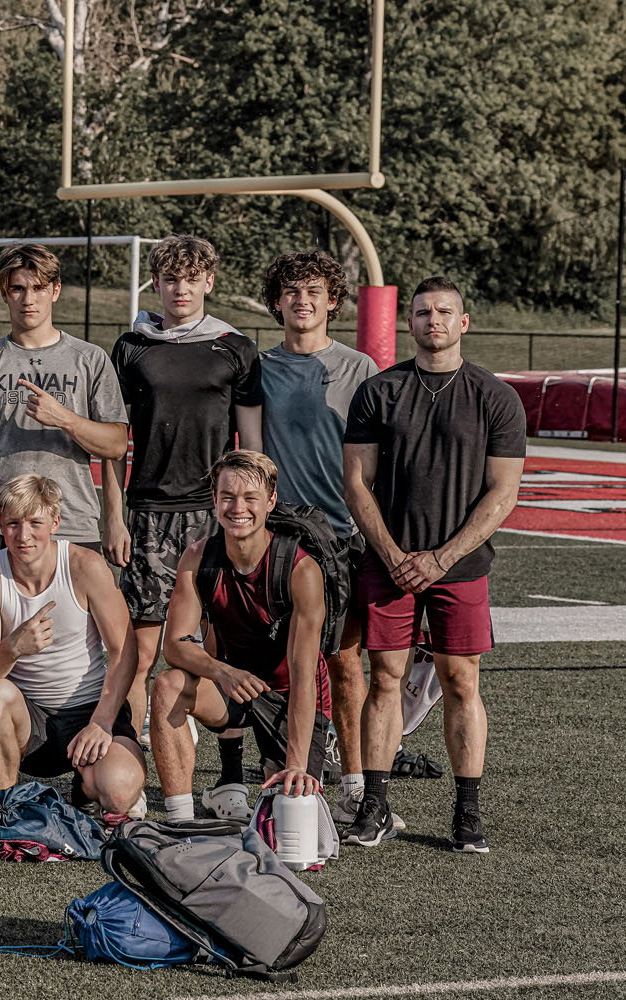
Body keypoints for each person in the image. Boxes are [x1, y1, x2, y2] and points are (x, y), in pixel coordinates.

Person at [342, 277, 525, 852]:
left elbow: (503, 492)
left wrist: (443, 557)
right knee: (385, 682)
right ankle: (373, 805)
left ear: (464, 321)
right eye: (422, 312)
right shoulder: (379, 391)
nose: (433, 321)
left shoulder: (496, 397)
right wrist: (396, 556)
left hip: (462, 568)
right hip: (387, 563)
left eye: (445, 311)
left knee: (461, 682)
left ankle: (467, 812)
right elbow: (356, 481)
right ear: (409, 322)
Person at [101, 234, 262, 821]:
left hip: (215, 512)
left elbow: (253, 442)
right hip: (147, 510)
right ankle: (137, 768)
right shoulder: (131, 346)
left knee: (215, 644)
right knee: (142, 651)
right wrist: (113, 512)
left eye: (192, 279)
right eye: (171, 279)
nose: (181, 289)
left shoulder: (235, 347)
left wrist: (253, 512)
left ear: (209, 283)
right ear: (158, 285)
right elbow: (115, 440)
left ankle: (231, 777)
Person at [257, 249, 380, 822]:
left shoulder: (360, 369)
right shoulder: (258, 368)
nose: (301, 301)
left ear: (333, 301)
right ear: (276, 301)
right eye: (291, 291)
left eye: (313, 292)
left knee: (345, 661)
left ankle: (356, 783)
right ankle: (283, 772)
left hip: (347, 535)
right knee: (284, 661)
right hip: (284, 537)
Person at [150, 451, 331, 820]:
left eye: (250, 498)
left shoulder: (301, 569)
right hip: (233, 688)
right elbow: (175, 645)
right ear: (214, 500)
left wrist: (296, 764)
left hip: (289, 694)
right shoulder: (198, 556)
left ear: (270, 502)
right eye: (228, 496)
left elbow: (303, 675)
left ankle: (310, 766)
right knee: (168, 685)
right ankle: (181, 821)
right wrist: (221, 671)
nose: (238, 508)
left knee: (288, 813)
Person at [0, 475, 145, 830]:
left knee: (119, 793)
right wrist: (14, 646)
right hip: (29, 718)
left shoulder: (84, 566)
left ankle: (86, 789)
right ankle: (7, 808)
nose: (23, 535)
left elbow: (125, 652)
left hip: (89, 710)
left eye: (35, 523)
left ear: (55, 523)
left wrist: (102, 721)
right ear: (1, 525)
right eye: (13, 524)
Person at [0, 243, 128, 563]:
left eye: (39, 288)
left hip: (73, 525)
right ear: (4, 294)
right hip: (1, 526)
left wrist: (65, 418)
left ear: (55, 290)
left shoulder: (90, 360)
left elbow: (115, 445)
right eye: (17, 288)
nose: (28, 299)